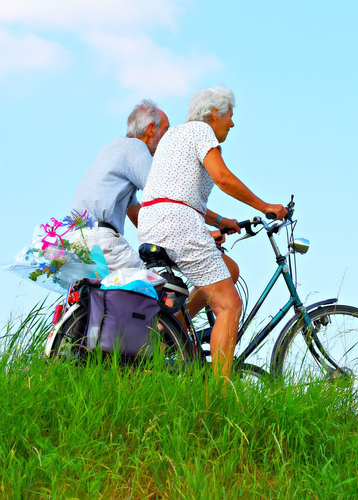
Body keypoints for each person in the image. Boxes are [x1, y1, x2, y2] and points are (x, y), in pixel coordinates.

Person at [138, 86, 287, 382]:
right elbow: (222, 177)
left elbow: (176, 193)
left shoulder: (174, 136)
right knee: (229, 304)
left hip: (154, 221)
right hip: (177, 223)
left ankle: (174, 327)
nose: (232, 123)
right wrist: (265, 206)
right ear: (215, 114)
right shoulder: (201, 131)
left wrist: (220, 221)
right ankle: (219, 395)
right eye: (230, 116)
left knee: (228, 269)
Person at [69, 99, 170, 271]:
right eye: (166, 130)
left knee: (105, 295)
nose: (168, 138)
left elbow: (136, 213)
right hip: (100, 240)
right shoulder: (136, 148)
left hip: (76, 240)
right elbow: (167, 195)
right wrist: (200, 233)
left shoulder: (115, 147)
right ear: (151, 129)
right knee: (154, 286)